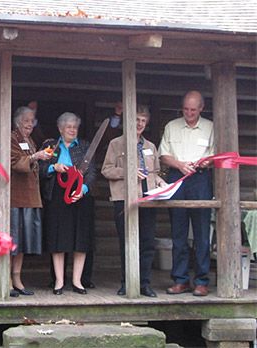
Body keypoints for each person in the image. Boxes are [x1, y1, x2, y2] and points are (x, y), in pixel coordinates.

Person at [102, 104, 167, 297]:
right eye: (136, 120)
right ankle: (127, 282)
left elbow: (155, 172)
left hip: (147, 199)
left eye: (143, 121)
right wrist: (128, 172)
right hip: (124, 199)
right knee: (127, 243)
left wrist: (161, 181)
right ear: (128, 121)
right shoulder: (116, 144)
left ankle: (144, 283)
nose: (139, 124)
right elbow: (107, 170)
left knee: (147, 243)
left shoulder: (150, 146)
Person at [159, 90, 214, 297]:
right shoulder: (172, 126)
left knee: (201, 234)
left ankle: (201, 281)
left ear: (201, 108)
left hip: (200, 179)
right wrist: (180, 164)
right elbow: (163, 155)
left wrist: (203, 162)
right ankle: (180, 280)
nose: (189, 113)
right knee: (178, 233)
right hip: (177, 178)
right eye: (186, 109)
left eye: (193, 109)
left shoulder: (210, 127)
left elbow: (216, 155)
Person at [39, 112, 96, 295]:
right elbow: (38, 170)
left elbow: (92, 172)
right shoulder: (50, 146)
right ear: (60, 128)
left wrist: (84, 189)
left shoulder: (85, 146)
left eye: (75, 127)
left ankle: (77, 281)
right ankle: (59, 281)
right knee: (58, 238)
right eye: (68, 127)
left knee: (81, 238)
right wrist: (52, 167)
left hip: (80, 197)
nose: (72, 130)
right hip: (56, 196)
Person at [9, 106, 52, 297]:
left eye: (32, 121)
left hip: (30, 197)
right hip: (14, 197)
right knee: (11, 241)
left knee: (23, 242)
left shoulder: (30, 140)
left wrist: (40, 156)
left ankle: (17, 279)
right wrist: (35, 156)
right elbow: (13, 162)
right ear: (18, 121)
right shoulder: (11, 138)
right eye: (26, 121)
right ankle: (7, 280)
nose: (30, 124)